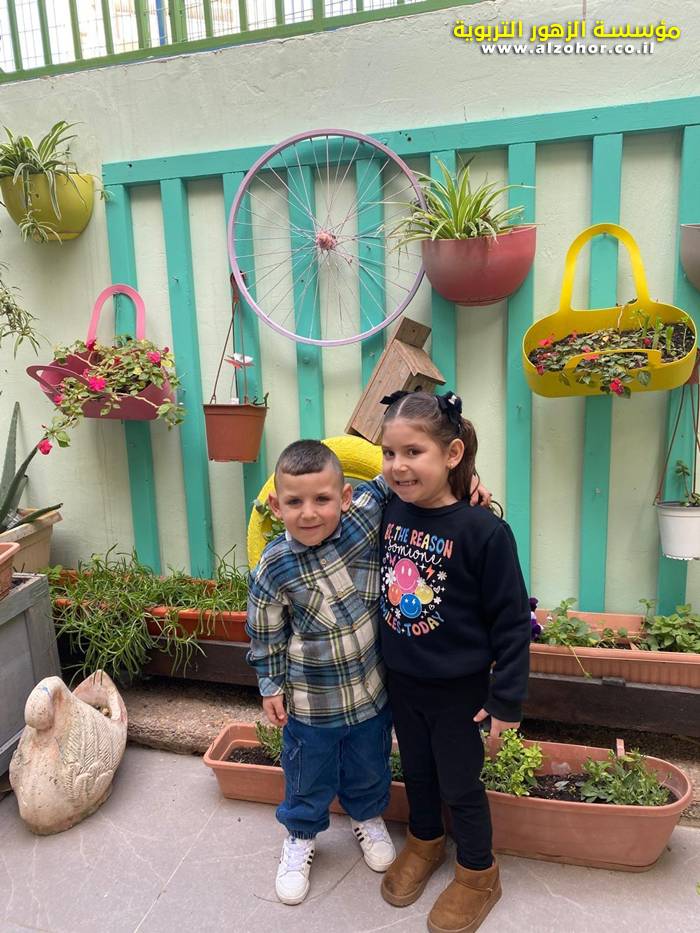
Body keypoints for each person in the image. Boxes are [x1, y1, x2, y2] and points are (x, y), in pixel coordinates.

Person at [246, 437, 491, 906]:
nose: (309, 513)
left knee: (369, 765)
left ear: (345, 497)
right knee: (307, 774)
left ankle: (366, 816)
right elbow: (265, 631)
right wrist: (270, 684)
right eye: (294, 502)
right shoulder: (273, 566)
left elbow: (398, 477)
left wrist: (467, 480)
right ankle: (300, 836)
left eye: (322, 499)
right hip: (312, 701)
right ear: (276, 505)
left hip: (372, 693)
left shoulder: (363, 518)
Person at [377, 390, 530, 933]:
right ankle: (424, 842)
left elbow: (512, 622)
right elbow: (340, 466)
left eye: (413, 452)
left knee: (460, 785)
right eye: (389, 453)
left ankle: (478, 872)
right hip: (403, 681)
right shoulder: (389, 509)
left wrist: (505, 700)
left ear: (453, 453)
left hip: (459, 694)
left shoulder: (484, 532)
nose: (398, 466)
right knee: (417, 772)